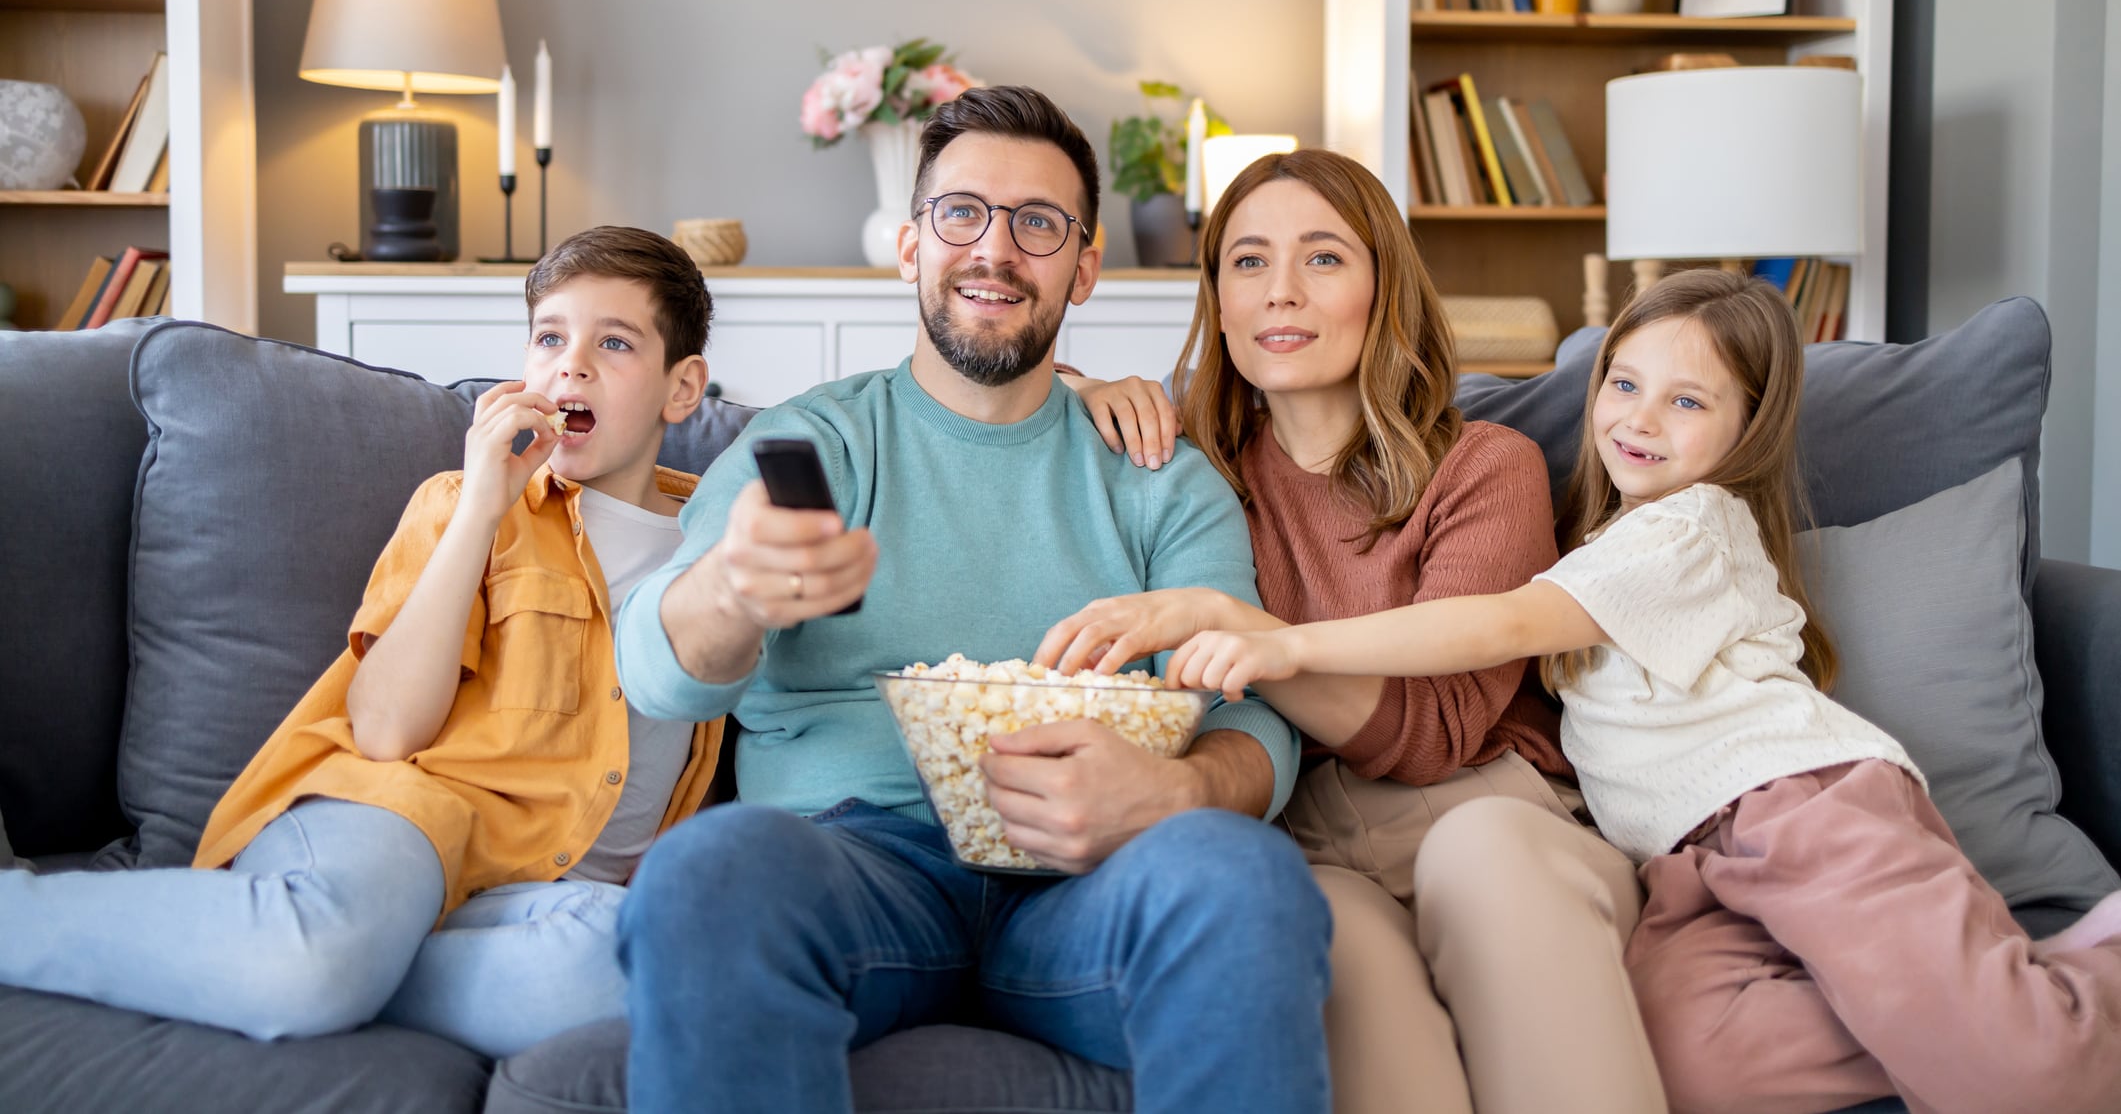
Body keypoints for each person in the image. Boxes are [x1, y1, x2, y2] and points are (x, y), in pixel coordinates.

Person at [1133, 267, 2121, 1114]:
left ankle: (2058, 988)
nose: (1640, 419)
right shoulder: (1606, 537)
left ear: (1746, 430)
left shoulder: (1690, 527)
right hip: (1688, 862)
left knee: (2025, 1077)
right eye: (1625, 384)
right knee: (1690, 1064)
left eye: (1689, 402)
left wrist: (1288, 644)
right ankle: (1947, 1008)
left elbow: (1505, 623)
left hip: (1805, 807)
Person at [612, 85, 1332, 1114]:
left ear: (1084, 267)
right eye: (961, 214)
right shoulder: (818, 442)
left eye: (1037, 224)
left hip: (1094, 882)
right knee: (710, 868)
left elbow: (1254, 706)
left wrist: (1176, 794)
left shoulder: (1159, 472)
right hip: (853, 863)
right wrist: (733, 586)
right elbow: (653, 668)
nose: (994, 250)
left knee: (1244, 876)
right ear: (911, 244)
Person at [0, 226, 724, 1059]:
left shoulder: (720, 535)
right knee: (317, 961)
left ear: (683, 388)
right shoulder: (463, 502)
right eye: (551, 337)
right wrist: (482, 510)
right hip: (398, 822)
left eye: (616, 343)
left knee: (620, 980)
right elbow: (385, 732)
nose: (573, 365)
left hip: (545, 895)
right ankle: (294, 950)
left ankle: (315, 958)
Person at [1044, 148, 1664, 1114]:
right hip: (1316, 842)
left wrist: (1243, 631)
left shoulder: (1482, 467)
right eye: (1247, 262)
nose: (1279, 293)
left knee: (1482, 852)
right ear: (1216, 300)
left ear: (1383, 286)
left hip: (1496, 813)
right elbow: (1007, 413)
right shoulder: (1188, 472)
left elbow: (1434, 733)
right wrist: (1075, 392)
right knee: (1304, 927)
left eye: (1322, 258)